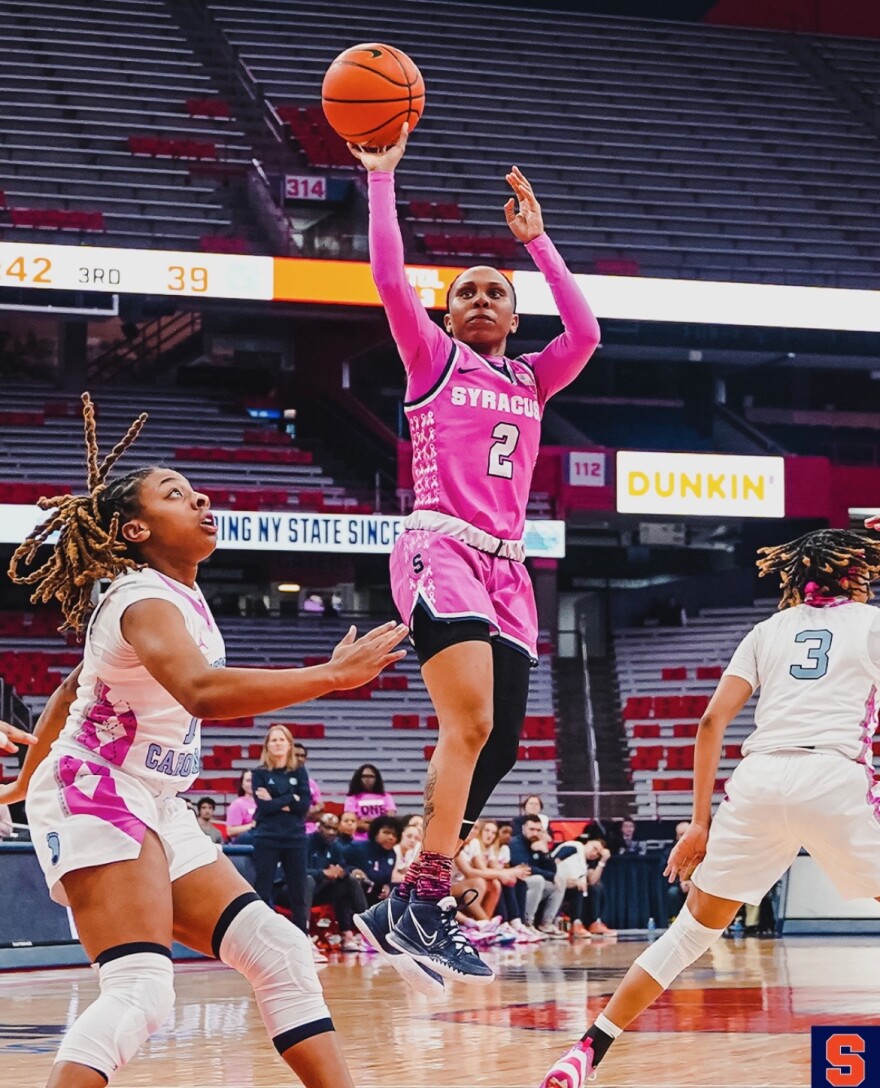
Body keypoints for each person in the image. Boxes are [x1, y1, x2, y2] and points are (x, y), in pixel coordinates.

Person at [1, 393, 408, 1088]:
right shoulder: (143, 599)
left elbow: (73, 690)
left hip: (150, 796)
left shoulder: (171, 594)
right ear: (133, 529)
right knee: (140, 990)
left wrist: (19, 781)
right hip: (98, 790)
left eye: (195, 492)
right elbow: (203, 694)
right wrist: (333, 676)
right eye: (175, 495)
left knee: (279, 950)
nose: (200, 501)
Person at [350, 124, 600, 989]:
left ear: (514, 312)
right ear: (449, 312)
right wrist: (382, 180)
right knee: (469, 726)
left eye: (499, 291)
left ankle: (398, 907)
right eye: (469, 293)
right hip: (440, 545)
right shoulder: (433, 358)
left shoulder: (533, 378)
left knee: (497, 748)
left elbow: (589, 332)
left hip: (509, 567)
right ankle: (424, 898)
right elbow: (387, 277)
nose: (485, 300)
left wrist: (539, 242)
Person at [540, 528, 880, 1087]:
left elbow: (709, 723)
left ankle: (586, 1052)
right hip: (830, 776)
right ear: (853, 574)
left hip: (758, 781)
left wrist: (698, 825)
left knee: (689, 935)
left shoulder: (766, 632)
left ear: (798, 577)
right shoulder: (869, 624)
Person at [252, 725, 312, 933]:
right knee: (262, 887)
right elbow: (264, 807)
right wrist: (289, 799)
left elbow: (304, 806)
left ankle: (301, 936)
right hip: (267, 836)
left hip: (295, 837)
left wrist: (277, 799)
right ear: (267, 745)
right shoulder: (259, 773)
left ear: (289, 745)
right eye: (273, 740)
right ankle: (257, 935)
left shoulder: (299, 771)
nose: (277, 743)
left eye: (281, 740)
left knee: (299, 889)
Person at [306, 813, 367, 952]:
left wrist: (347, 871)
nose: (331, 832)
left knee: (346, 881)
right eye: (327, 828)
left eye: (334, 828)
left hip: (324, 889)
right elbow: (295, 871)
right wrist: (322, 873)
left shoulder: (335, 845)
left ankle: (350, 935)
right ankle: (366, 922)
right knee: (310, 882)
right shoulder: (305, 843)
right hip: (303, 890)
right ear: (318, 827)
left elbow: (343, 866)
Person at [510, 815, 565, 936]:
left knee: (559, 883)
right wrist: (550, 876)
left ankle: (546, 924)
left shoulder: (538, 844)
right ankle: (527, 923)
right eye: (531, 829)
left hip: (532, 882)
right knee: (538, 880)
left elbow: (553, 870)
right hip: (517, 880)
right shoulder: (516, 843)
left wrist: (545, 853)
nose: (535, 833)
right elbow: (525, 868)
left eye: (538, 830)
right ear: (524, 828)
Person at [345, 815, 401, 906]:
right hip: (353, 897)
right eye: (386, 832)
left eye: (395, 835)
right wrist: (352, 870)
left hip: (376, 899)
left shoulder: (392, 854)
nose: (391, 837)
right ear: (375, 833)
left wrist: (387, 886)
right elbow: (340, 864)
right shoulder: (356, 848)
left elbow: (385, 879)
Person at [344, 763, 396, 839]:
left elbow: (389, 821)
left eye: (371, 777)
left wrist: (365, 820)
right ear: (359, 778)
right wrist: (378, 821)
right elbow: (353, 823)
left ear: (376, 779)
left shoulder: (387, 797)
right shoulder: (351, 798)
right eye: (364, 776)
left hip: (382, 840)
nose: (367, 779)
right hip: (359, 840)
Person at [296, 742, 325, 834]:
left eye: (303, 756)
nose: (300, 759)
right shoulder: (282, 780)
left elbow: (321, 806)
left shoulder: (311, 782)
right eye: (296, 755)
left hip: (312, 830)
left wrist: (305, 814)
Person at [225, 769, 257, 842]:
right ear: (242, 784)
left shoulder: (265, 802)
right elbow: (230, 831)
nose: (252, 783)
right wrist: (253, 826)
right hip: (244, 845)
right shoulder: (237, 804)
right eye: (248, 781)